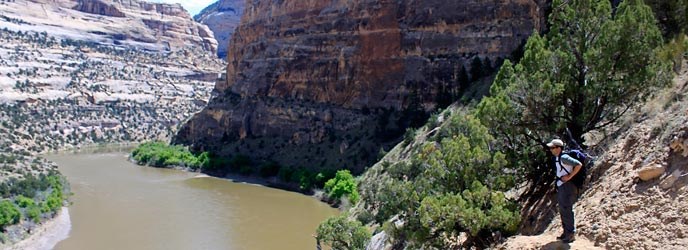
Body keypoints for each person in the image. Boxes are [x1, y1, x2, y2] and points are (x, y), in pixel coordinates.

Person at [547, 138, 582, 243]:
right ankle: (566, 232)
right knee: (563, 209)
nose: (551, 150)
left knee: (566, 209)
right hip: (562, 185)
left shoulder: (564, 157)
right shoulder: (558, 158)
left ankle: (570, 234)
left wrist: (569, 177)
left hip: (567, 186)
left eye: (553, 148)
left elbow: (578, 164)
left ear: (559, 148)